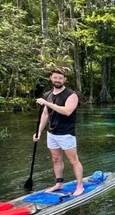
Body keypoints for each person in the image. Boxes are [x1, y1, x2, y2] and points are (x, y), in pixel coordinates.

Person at [34, 68, 84, 196]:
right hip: (52, 133)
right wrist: (39, 132)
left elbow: (67, 111)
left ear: (64, 80)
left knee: (73, 160)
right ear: (51, 78)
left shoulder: (71, 95)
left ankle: (79, 186)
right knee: (56, 159)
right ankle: (59, 183)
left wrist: (47, 103)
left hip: (66, 133)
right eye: (55, 78)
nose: (57, 80)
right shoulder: (48, 95)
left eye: (60, 78)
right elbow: (45, 114)